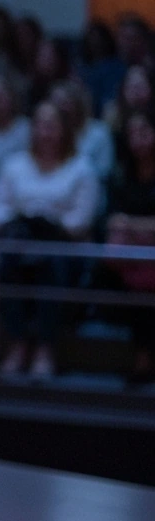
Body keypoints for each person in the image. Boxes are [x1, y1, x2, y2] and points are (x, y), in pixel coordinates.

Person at [0, 101, 102, 379]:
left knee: (53, 264)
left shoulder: (82, 168)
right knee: (6, 263)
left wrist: (47, 221)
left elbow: (81, 219)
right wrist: (25, 221)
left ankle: (44, 349)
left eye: (52, 126)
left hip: (64, 246)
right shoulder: (14, 164)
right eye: (40, 125)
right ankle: (17, 344)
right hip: (20, 242)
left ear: (64, 130)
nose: (45, 132)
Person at [95, 111, 155, 385]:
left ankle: (144, 360)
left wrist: (132, 225)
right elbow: (112, 220)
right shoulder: (120, 174)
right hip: (129, 258)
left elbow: (124, 221)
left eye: (145, 133)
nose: (138, 140)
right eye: (132, 134)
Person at [50, 81, 114, 183]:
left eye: (65, 103)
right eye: (56, 103)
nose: (60, 108)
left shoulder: (99, 133)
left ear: (77, 104)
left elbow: (104, 171)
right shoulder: (47, 134)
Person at [80, 20, 125, 117]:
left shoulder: (117, 66)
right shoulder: (82, 68)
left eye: (98, 38)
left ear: (106, 40)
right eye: (91, 38)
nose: (95, 43)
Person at [26, 38, 74, 109]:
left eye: (50, 55)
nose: (46, 60)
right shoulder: (30, 88)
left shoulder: (70, 85)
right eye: (42, 55)